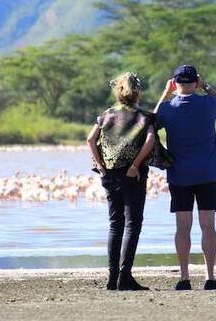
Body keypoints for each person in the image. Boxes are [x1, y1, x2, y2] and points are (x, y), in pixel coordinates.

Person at [154, 64, 216, 291]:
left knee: (182, 227)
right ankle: (210, 277)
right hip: (207, 173)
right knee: (208, 226)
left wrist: (165, 94)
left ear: (175, 83)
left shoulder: (168, 108)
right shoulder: (208, 103)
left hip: (179, 175)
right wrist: (208, 87)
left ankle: (185, 277)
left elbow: (151, 120)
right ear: (196, 82)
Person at [87, 71, 156, 291]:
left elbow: (90, 139)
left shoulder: (105, 115)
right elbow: (151, 140)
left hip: (109, 174)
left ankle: (112, 278)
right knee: (132, 224)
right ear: (137, 92)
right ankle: (125, 277)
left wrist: (99, 165)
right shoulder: (144, 116)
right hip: (132, 175)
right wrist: (136, 165)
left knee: (115, 225)